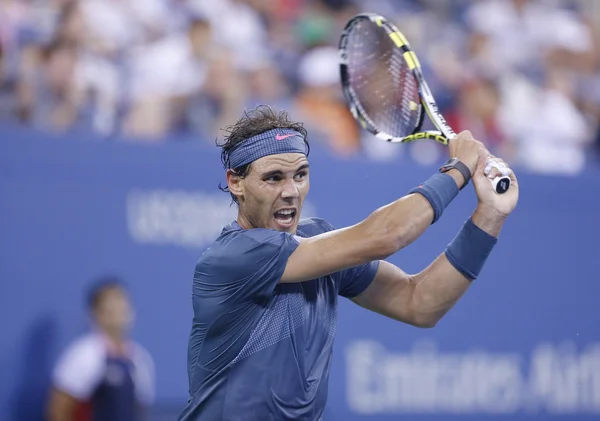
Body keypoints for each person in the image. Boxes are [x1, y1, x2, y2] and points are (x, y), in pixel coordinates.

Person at [178, 105, 519, 421]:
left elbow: (420, 303)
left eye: (300, 175)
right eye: (273, 178)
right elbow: (387, 236)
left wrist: (489, 215)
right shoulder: (234, 256)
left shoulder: (317, 246)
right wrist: (457, 169)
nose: (291, 191)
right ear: (236, 182)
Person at [47, 277, 155, 421]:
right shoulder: (83, 354)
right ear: (96, 313)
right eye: (111, 306)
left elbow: (141, 411)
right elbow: (58, 410)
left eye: (122, 304)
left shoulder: (140, 359)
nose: (118, 311)